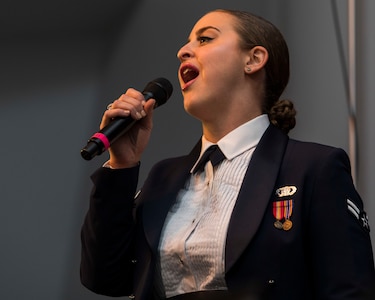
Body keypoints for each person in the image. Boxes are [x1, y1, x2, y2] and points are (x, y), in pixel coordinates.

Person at [80, 9, 375, 300]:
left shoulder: (312, 167)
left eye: (205, 39)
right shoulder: (163, 177)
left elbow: (350, 289)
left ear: (254, 59)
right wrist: (121, 164)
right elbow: (105, 277)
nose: (183, 51)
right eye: (186, 43)